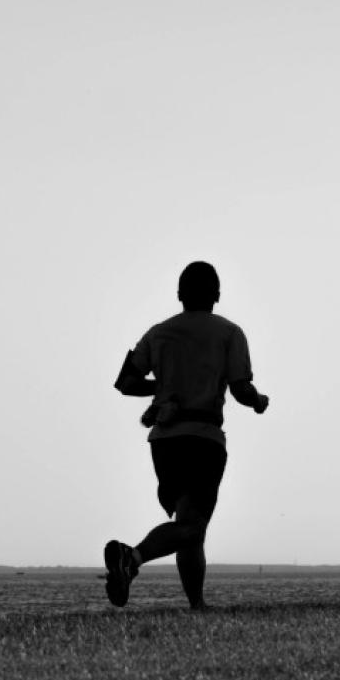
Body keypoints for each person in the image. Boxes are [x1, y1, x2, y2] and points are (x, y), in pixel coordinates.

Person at [106, 261, 269, 609]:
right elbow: (241, 388)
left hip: (164, 441)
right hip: (203, 438)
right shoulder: (229, 333)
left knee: (188, 524)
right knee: (193, 527)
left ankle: (197, 605)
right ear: (218, 295)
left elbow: (126, 383)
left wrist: (163, 385)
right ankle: (131, 558)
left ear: (179, 294)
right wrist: (259, 402)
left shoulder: (159, 333)